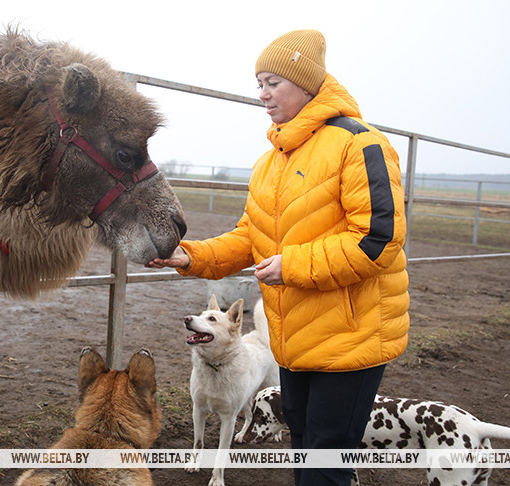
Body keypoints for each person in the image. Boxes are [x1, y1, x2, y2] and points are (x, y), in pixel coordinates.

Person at [148, 29, 409, 486]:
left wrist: (292, 265)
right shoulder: (271, 161)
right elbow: (251, 236)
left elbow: (378, 239)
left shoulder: (360, 144)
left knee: (325, 462)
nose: (263, 95)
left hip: (350, 337)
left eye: (273, 82)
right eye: (259, 84)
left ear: (307, 84)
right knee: (306, 449)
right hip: (293, 340)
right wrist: (191, 257)